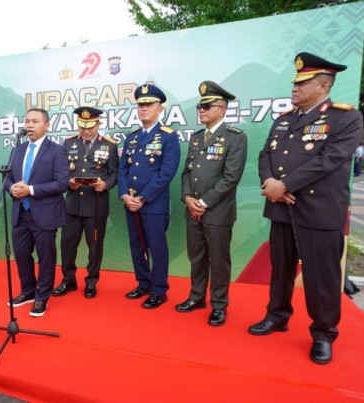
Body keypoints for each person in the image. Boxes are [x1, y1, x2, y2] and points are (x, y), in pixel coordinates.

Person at [249, 52, 363, 365]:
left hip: (318, 210)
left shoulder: (346, 118)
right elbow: (265, 155)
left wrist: (285, 185)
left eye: (302, 83)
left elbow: (330, 159)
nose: (294, 88)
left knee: (321, 275)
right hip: (281, 208)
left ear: (324, 86)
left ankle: (323, 333)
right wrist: (270, 183)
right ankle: (277, 316)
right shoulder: (285, 119)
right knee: (280, 268)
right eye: (295, 83)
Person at [175, 81, 247, 326]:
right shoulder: (196, 138)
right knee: (196, 258)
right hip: (192, 210)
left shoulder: (235, 137)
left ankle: (219, 305)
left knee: (218, 261)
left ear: (222, 109)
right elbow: (187, 172)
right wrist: (187, 198)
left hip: (217, 212)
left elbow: (231, 178)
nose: (202, 110)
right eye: (200, 106)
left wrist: (203, 203)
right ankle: (196, 297)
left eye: (207, 106)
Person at [118, 84, 181, 309]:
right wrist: (125, 195)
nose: (143, 108)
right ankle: (143, 283)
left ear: (160, 109)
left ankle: (159, 290)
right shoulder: (132, 137)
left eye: (149, 104)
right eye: (140, 105)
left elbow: (166, 173)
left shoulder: (168, 137)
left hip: (153, 204)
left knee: (157, 247)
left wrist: (143, 198)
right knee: (137, 246)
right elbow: (123, 170)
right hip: (131, 203)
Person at [4, 108, 69, 317]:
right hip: (20, 213)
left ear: (47, 125)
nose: (29, 125)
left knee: (46, 258)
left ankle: (42, 297)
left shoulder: (56, 150)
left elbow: (62, 183)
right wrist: (12, 188)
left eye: (35, 121)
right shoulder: (18, 149)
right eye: (27, 121)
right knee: (21, 255)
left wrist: (30, 190)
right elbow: (7, 178)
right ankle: (28, 291)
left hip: (45, 214)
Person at [54, 107, 120, 299]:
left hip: (96, 205)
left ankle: (91, 281)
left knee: (95, 246)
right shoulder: (69, 143)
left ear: (98, 124)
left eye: (90, 127)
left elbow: (115, 173)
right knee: (67, 244)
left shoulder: (110, 145)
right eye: (82, 127)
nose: (86, 131)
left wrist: (105, 184)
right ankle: (68, 280)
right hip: (72, 204)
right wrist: (68, 182)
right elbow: (62, 171)